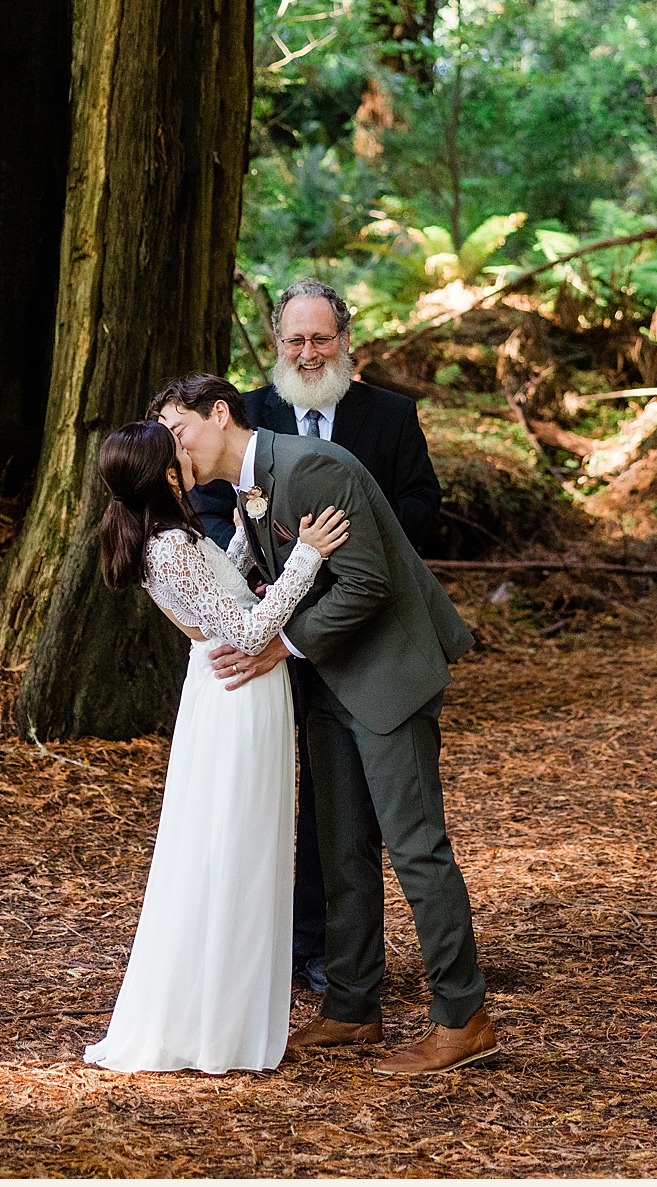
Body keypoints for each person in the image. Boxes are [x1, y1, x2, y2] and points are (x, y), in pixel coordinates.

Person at [155, 373, 500, 1077]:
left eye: (178, 428)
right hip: (329, 682)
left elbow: (368, 581)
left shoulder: (310, 467)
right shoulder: (252, 485)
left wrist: (280, 644)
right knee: (341, 845)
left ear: (219, 414)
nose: (174, 446)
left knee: (415, 847)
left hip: (386, 674)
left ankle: (463, 1018)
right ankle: (351, 1006)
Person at [190, 278, 443, 994]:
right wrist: (258, 571)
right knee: (280, 787)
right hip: (270, 627)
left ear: (345, 341)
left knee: (346, 798)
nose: (308, 352)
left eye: (321, 338)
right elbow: (211, 506)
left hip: (360, 630)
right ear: (277, 343)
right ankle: (288, 946)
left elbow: (424, 502)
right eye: (295, 340)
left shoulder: (390, 414)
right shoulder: (244, 413)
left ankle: (341, 956)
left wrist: (361, 547)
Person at [79, 420, 352, 1075]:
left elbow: (220, 593)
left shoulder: (167, 539)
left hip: (224, 691)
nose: (188, 460)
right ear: (164, 475)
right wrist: (307, 555)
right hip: (236, 696)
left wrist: (237, 532)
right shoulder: (167, 545)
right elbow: (251, 628)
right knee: (234, 846)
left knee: (231, 843)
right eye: (177, 457)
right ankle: (216, 1027)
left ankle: (221, 1012)